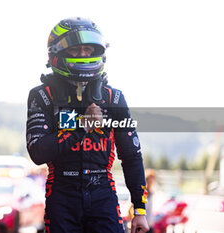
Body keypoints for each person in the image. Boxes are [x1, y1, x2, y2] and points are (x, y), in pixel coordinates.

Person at [26, 17, 149, 233]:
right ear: (56, 54)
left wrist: (139, 210)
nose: (83, 55)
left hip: (103, 193)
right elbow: (38, 151)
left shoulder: (114, 98)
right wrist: (82, 125)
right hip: (62, 195)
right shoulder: (42, 95)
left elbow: (131, 155)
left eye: (88, 49)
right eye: (76, 50)